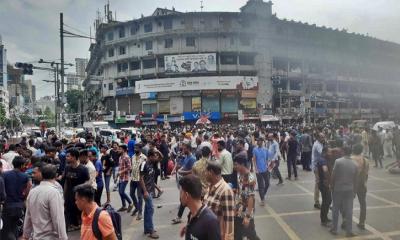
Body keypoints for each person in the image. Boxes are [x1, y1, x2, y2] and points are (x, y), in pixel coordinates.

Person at [22, 164, 67, 240]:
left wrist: (26, 235)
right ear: (56, 175)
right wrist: (63, 238)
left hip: (36, 236)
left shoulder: (33, 191)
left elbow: (28, 215)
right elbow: (58, 220)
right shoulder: (54, 192)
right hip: (50, 237)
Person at [179, 175, 221, 240]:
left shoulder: (211, 222)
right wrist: (189, 228)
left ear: (187, 195)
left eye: (181, 192)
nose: (180, 196)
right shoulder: (192, 214)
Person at [330, 146, 359, 237]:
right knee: (349, 211)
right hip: (349, 190)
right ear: (350, 153)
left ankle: (334, 229)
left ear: (343, 152)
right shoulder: (355, 164)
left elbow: (333, 175)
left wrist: (331, 186)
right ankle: (349, 231)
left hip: (338, 189)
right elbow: (355, 179)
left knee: (335, 209)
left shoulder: (338, 162)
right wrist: (355, 191)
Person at [1, 156, 32, 240]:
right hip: (19, 205)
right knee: (16, 227)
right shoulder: (25, 176)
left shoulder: (4, 175)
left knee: (6, 228)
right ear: (22, 165)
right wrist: (24, 198)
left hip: (7, 205)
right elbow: (29, 188)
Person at [204, 161, 235, 240]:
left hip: (217, 235)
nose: (204, 174)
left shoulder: (225, 190)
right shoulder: (210, 186)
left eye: (205, 172)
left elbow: (229, 218)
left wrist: (228, 237)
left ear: (211, 172)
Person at [234, 154, 260, 240]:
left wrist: (248, 216)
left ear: (242, 164)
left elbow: (251, 198)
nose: (235, 166)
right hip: (238, 210)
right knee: (237, 234)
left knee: (251, 235)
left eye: (236, 164)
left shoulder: (250, 178)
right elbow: (239, 191)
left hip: (246, 212)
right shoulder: (238, 174)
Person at [63, 148, 90, 231]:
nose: (66, 158)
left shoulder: (83, 169)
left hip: (80, 195)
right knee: (69, 210)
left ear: (74, 157)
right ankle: (74, 225)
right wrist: (64, 195)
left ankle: (83, 226)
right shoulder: (67, 168)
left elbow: (88, 182)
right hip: (69, 194)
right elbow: (66, 182)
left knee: (80, 211)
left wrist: (79, 188)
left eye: (68, 156)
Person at [172, 142, 196, 224]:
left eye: (185, 149)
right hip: (184, 181)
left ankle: (194, 216)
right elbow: (184, 166)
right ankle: (180, 217)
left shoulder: (192, 158)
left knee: (188, 200)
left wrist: (182, 172)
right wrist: (180, 169)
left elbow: (192, 171)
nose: (183, 150)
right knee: (183, 200)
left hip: (189, 182)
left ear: (189, 149)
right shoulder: (186, 157)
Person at [140, 149, 159, 239]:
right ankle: (151, 231)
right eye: (154, 156)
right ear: (150, 156)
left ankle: (147, 229)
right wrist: (145, 191)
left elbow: (150, 178)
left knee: (148, 209)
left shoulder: (152, 163)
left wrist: (157, 188)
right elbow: (141, 179)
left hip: (151, 190)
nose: (156, 157)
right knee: (151, 209)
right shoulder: (144, 164)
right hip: (146, 191)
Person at [351, 143, 369, 230]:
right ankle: (362, 222)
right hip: (362, 184)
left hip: (351, 184)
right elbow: (366, 174)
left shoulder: (350, 159)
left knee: (348, 203)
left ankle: (346, 220)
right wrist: (365, 183)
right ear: (361, 150)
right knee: (363, 203)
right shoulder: (365, 160)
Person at [252, 137, 269, 206]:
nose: (258, 142)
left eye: (259, 141)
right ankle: (262, 199)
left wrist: (268, 166)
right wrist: (256, 169)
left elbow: (267, 159)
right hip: (258, 170)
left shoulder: (266, 149)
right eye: (257, 141)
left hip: (265, 169)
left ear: (262, 142)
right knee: (261, 185)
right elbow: (254, 160)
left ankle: (263, 194)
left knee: (267, 183)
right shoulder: (255, 149)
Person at [130, 144, 146, 219]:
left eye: (136, 148)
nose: (135, 149)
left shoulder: (144, 158)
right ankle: (136, 207)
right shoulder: (132, 157)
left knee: (139, 196)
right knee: (131, 194)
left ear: (140, 149)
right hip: (133, 179)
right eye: (134, 148)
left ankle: (140, 212)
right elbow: (132, 166)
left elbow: (145, 169)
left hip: (140, 180)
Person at [117, 144, 133, 212]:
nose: (118, 150)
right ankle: (124, 206)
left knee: (121, 192)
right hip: (120, 177)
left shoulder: (127, 157)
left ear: (123, 150)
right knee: (120, 192)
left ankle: (130, 203)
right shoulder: (120, 157)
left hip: (125, 177)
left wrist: (121, 172)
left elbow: (129, 167)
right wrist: (117, 175)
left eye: (119, 149)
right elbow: (120, 167)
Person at [311, 133, 324, 209]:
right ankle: (316, 202)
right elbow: (323, 153)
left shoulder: (320, 143)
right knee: (318, 183)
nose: (323, 138)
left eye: (324, 137)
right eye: (322, 137)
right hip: (317, 167)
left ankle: (319, 200)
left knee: (320, 183)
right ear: (318, 138)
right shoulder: (317, 145)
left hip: (320, 166)